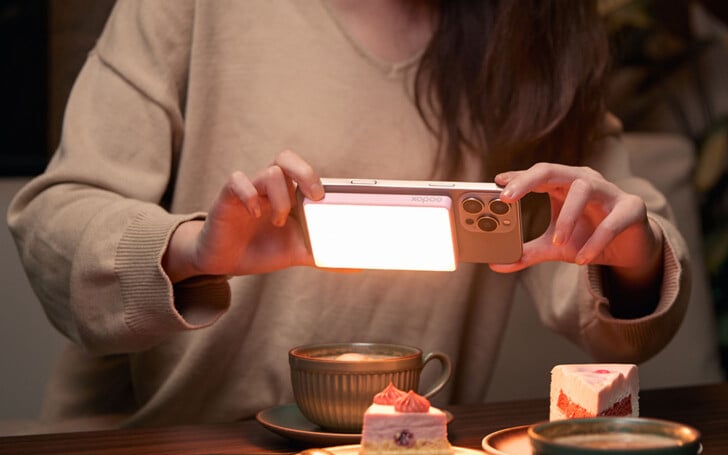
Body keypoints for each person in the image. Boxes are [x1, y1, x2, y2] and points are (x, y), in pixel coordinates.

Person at [7, 0, 690, 430]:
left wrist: (630, 257)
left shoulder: (531, 41)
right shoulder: (190, 10)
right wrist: (191, 251)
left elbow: (623, 320)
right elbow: (51, 223)